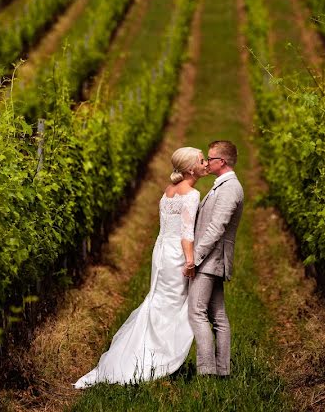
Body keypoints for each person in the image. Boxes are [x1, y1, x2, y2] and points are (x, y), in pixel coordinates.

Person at [73, 147, 208, 388]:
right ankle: (156, 357)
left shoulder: (169, 191)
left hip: (161, 252)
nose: (205, 162)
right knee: (171, 305)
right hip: (177, 254)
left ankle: (142, 351)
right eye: (201, 160)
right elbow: (187, 234)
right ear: (190, 169)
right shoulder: (191, 194)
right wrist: (190, 261)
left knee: (159, 300)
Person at [185, 140, 244, 377]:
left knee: (196, 312)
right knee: (218, 315)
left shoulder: (230, 187)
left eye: (211, 159)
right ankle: (222, 370)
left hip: (211, 259)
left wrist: (195, 257)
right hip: (212, 259)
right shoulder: (223, 185)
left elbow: (216, 227)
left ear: (223, 162)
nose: (207, 163)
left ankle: (208, 370)